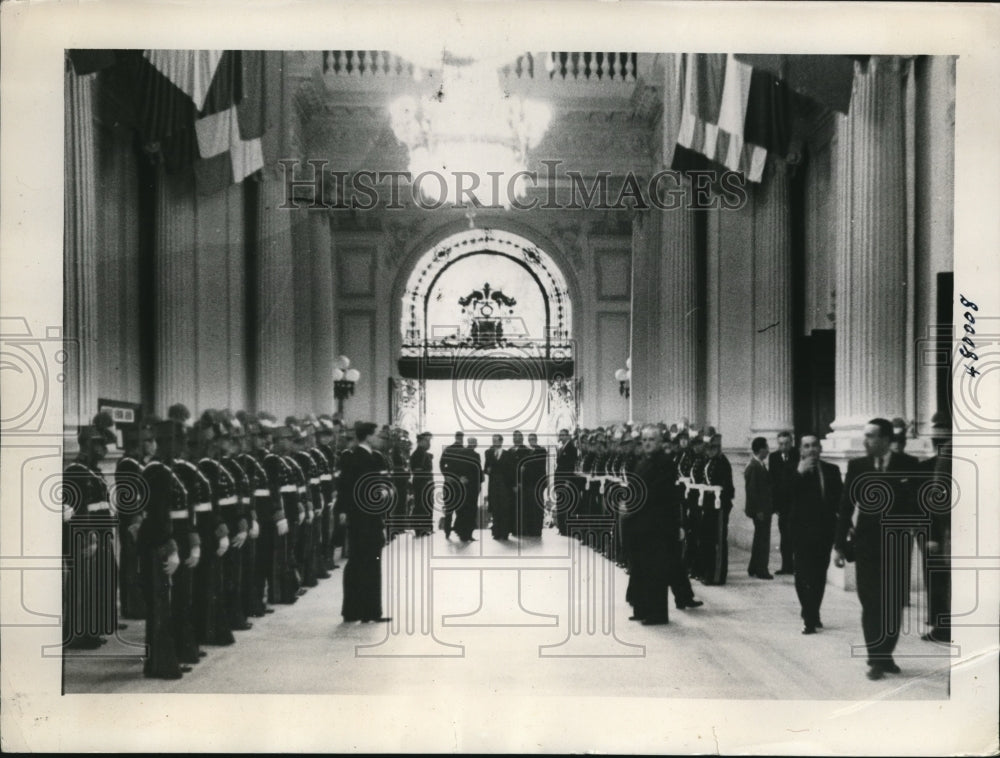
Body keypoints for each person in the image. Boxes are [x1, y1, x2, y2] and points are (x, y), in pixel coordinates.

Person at [835, 418, 922, 680]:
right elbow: (845, 507)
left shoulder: (908, 464)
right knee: (870, 602)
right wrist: (839, 546)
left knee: (894, 604)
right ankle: (876, 658)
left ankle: (885, 654)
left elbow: (919, 504)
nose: (865, 441)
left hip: (897, 545)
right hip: (866, 545)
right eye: (865, 436)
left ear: (885, 439)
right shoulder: (857, 466)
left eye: (870, 436)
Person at [62, 418, 119, 650]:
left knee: (94, 585)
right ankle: (77, 634)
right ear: (86, 444)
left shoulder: (93, 471)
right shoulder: (75, 471)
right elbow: (73, 509)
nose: (103, 449)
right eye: (98, 444)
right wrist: (87, 536)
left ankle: (90, 630)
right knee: (81, 586)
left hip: (99, 537)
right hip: (85, 539)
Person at [623, 425, 681, 625]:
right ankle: (641, 609)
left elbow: (656, 492)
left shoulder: (665, 463)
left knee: (655, 570)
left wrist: (633, 504)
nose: (647, 443)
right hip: (640, 523)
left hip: (657, 525)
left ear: (660, 442)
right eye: (645, 439)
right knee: (639, 568)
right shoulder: (642, 462)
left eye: (652, 439)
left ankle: (657, 613)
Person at [137, 458, 187, 678]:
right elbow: (160, 514)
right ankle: (161, 664)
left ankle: (158, 663)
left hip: (152, 542)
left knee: (159, 607)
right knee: (159, 607)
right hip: (156, 545)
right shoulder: (159, 472)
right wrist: (170, 546)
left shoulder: (157, 471)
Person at [790, 435, 843, 634]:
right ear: (801, 450)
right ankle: (809, 616)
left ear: (820, 448)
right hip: (800, 532)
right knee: (802, 575)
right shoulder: (792, 470)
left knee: (819, 575)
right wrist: (798, 473)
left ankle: (812, 612)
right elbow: (783, 496)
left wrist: (845, 527)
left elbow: (839, 502)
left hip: (824, 532)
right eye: (807, 446)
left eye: (814, 445)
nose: (811, 449)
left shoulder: (832, 470)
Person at [340, 421, 391, 623]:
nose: (378, 438)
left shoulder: (356, 456)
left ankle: (353, 611)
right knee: (369, 564)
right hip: (367, 521)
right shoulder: (365, 458)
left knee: (357, 563)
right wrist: (382, 496)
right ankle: (370, 611)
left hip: (360, 519)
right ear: (368, 436)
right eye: (375, 434)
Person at [920, 412, 952, 644]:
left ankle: (944, 626)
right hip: (943, 531)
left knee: (945, 582)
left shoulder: (946, 455)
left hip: (946, 531)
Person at [699, 434, 734, 585]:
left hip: (719, 506)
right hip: (708, 504)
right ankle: (708, 571)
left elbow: (728, 487)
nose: (709, 450)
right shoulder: (709, 461)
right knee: (707, 539)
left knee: (718, 540)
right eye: (708, 448)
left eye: (713, 448)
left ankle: (717, 575)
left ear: (718, 448)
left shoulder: (723, 462)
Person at [768, 431, 799, 575]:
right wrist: (775, 505)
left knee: (797, 535)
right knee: (784, 536)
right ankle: (787, 566)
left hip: (796, 503)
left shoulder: (797, 455)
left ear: (791, 442)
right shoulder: (773, 457)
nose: (784, 447)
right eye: (781, 444)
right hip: (782, 505)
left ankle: (798, 566)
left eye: (787, 443)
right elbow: (772, 482)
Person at [744, 437, 774, 579]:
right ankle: (761, 569)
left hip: (763, 509)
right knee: (763, 540)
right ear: (761, 450)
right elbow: (752, 491)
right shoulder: (754, 466)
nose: (768, 450)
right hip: (761, 511)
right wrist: (758, 511)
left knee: (759, 538)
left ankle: (754, 567)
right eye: (766, 448)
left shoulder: (758, 465)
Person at [454, 437, 482, 542]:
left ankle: (463, 533)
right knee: (470, 510)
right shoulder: (475, 455)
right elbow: (478, 471)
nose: (475, 444)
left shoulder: (460, 453)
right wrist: (479, 483)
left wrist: (460, 477)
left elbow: (456, 468)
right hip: (472, 486)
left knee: (464, 509)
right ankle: (467, 534)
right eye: (474, 442)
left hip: (466, 485)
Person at [438, 431, 466, 539]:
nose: (460, 439)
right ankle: (455, 530)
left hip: (452, 482)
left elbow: (441, 463)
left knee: (451, 508)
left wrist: (446, 475)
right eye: (460, 438)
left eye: (460, 438)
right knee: (457, 508)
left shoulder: (449, 449)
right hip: (456, 482)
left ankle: (449, 531)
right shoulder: (462, 450)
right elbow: (442, 463)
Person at [554, 428, 579, 535]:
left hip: (566, 481)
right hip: (559, 480)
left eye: (564, 435)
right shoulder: (561, 448)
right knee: (560, 504)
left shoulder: (571, 448)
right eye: (560, 435)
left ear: (568, 436)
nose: (561, 437)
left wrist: (568, 481)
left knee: (567, 505)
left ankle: (567, 529)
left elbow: (571, 466)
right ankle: (561, 528)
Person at [522, 433, 547, 537]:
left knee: (538, 506)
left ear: (536, 439)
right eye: (530, 439)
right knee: (528, 506)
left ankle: (537, 530)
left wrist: (526, 465)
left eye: (533, 439)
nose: (531, 440)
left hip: (538, 482)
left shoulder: (541, 450)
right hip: (528, 483)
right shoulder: (526, 451)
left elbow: (538, 464)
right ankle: (529, 529)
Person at [409, 432, 434, 537]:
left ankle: (422, 528)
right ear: (420, 441)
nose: (429, 443)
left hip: (422, 482)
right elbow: (418, 470)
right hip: (422, 483)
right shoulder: (420, 453)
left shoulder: (422, 453)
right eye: (427, 441)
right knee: (422, 505)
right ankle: (420, 529)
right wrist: (427, 480)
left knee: (422, 505)